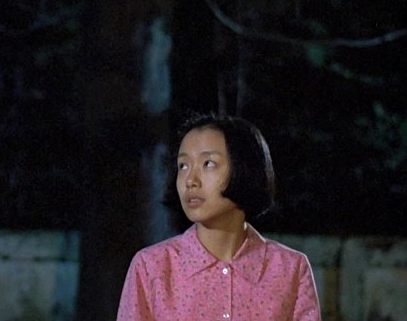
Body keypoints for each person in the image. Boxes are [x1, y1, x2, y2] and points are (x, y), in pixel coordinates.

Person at [116, 113, 321, 320]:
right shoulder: (151, 267)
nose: (190, 180)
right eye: (183, 165)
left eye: (208, 163)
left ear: (244, 168)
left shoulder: (290, 269)